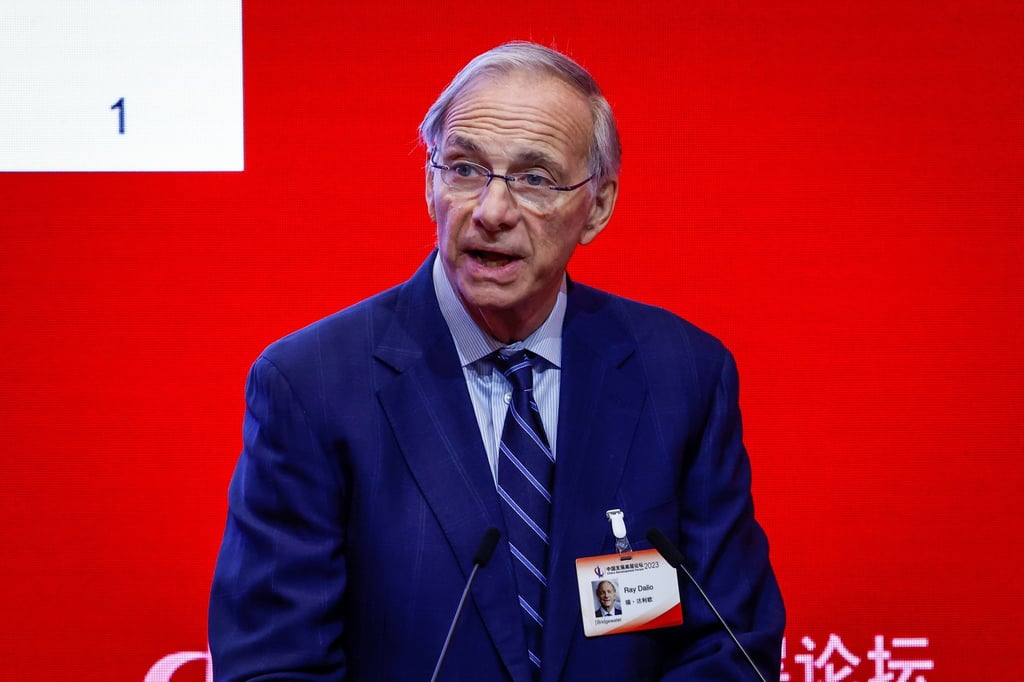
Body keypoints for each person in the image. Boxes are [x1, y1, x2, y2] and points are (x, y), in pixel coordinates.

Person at [209, 41, 785, 682]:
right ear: (429, 184)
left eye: (535, 179)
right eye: (464, 169)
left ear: (597, 207)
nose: (492, 212)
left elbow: (732, 645)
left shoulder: (680, 376)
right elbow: (274, 665)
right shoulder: (313, 387)